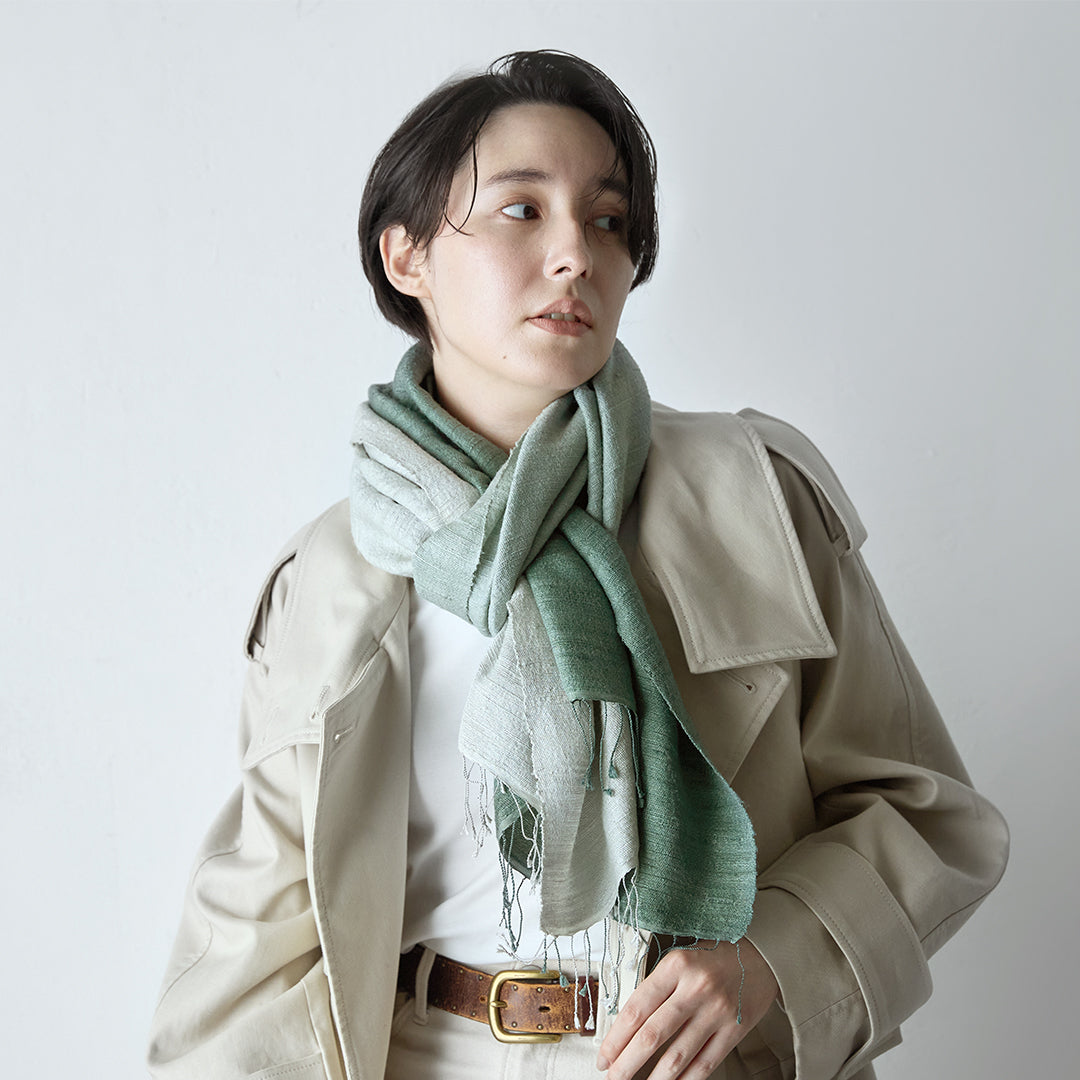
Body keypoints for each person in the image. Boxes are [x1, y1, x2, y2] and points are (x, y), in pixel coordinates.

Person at [147, 50, 1008, 1080]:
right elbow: (263, 925)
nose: (575, 256)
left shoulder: (753, 495)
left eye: (607, 221)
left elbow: (924, 814)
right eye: (522, 211)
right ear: (407, 256)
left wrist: (770, 959)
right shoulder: (331, 572)